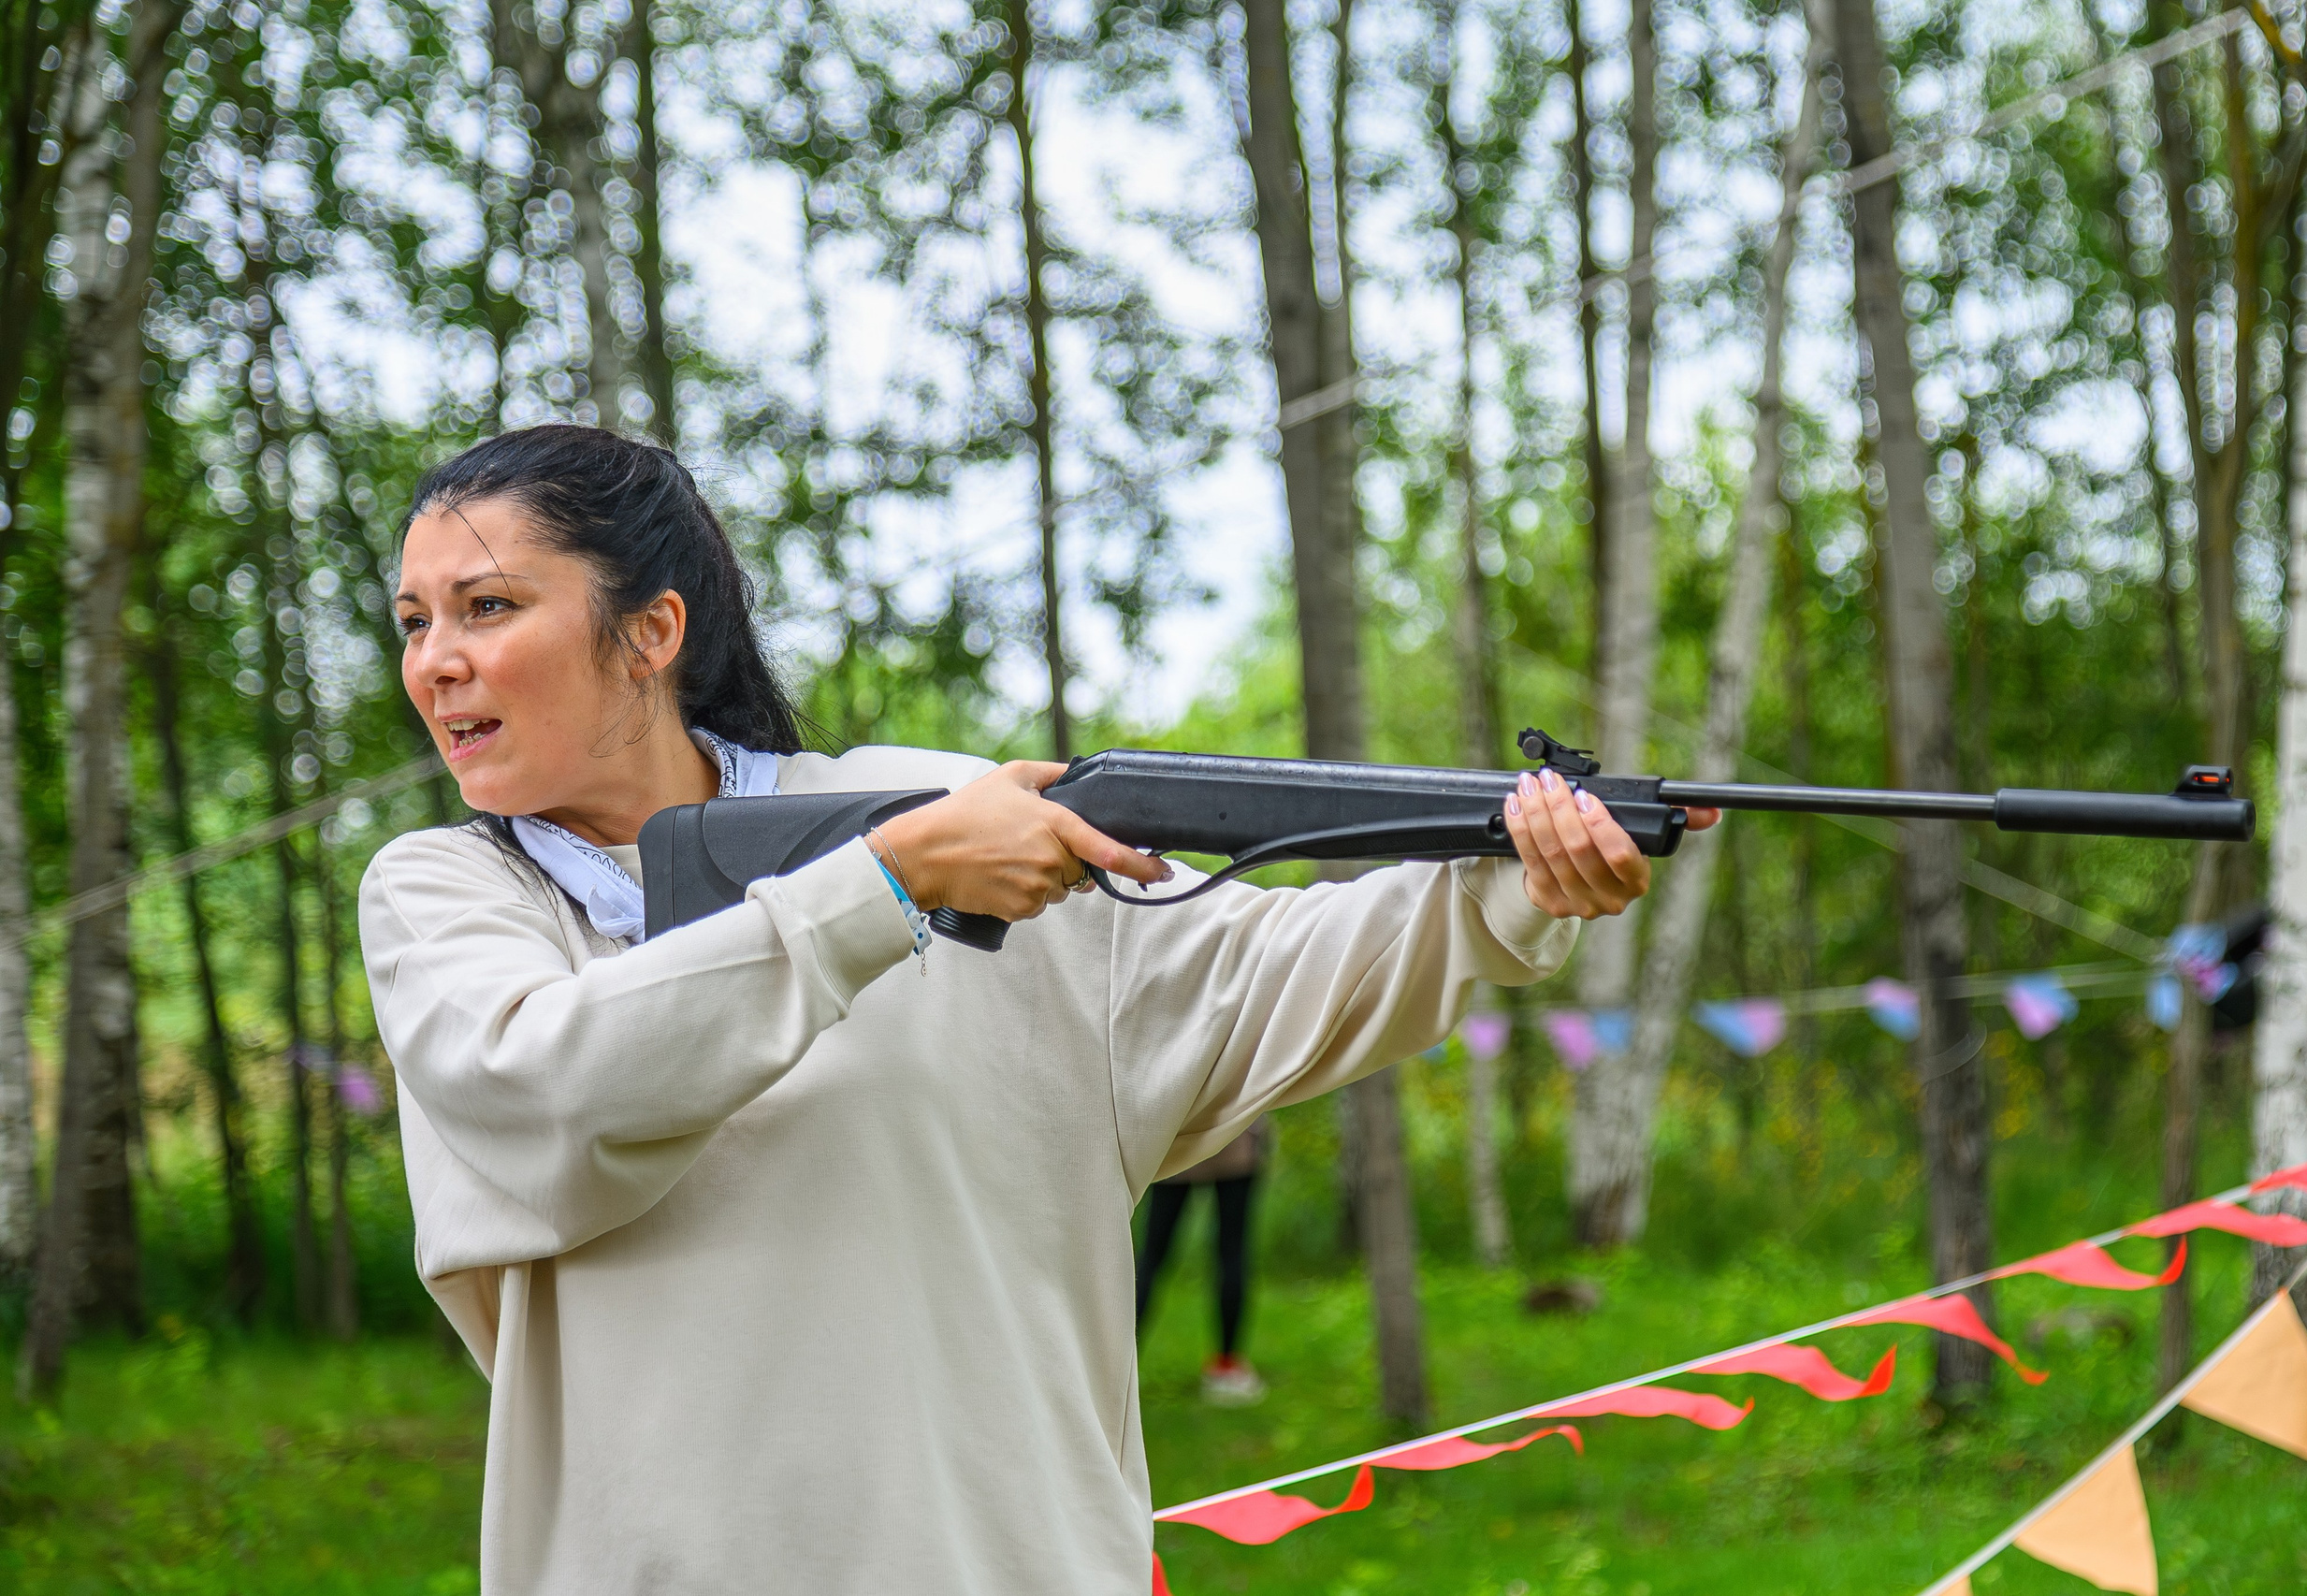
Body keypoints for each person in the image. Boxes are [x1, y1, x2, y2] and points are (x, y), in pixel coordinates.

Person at [358, 425, 1715, 1595]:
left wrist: (1513, 888)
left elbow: (1262, 973)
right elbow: (552, 1092)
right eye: (417, 621)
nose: (436, 662)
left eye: (486, 607)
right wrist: (883, 889)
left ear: (651, 630)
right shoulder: (444, 893)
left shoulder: (926, 805)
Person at [1135, 1121, 1269, 1404]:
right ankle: (1226, 1366)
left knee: (1152, 1257)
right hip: (1235, 1141)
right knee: (1231, 1252)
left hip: (1177, 1147)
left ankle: (1117, 1364)